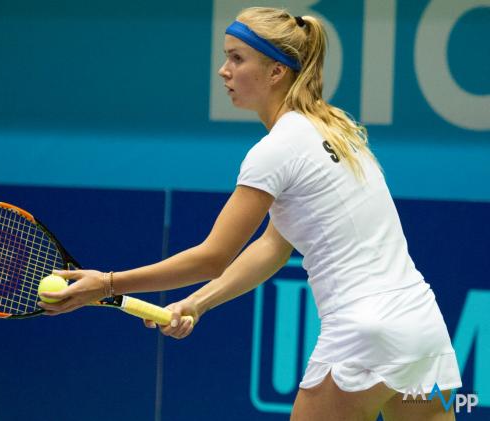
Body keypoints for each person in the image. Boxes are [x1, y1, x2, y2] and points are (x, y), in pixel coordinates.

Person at [38, 7, 462, 420]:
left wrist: (107, 283)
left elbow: (212, 257)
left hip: (364, 331)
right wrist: (198, 303)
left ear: (276, 71)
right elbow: (273, 247)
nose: (224, 70)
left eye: (237, 58)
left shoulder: (275, 150)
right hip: (423, 327)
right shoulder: (338, 131)